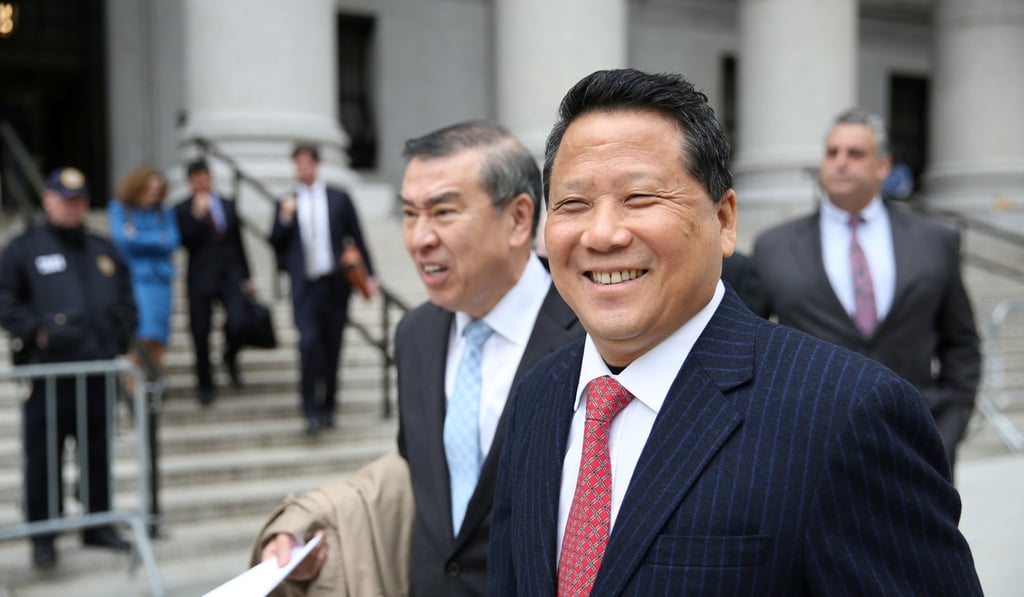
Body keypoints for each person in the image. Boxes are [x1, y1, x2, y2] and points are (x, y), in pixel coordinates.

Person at [488, 69, 982, 595]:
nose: (603, 233)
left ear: (724, 220)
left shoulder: (847, 413)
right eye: (573, 204)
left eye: (640, 197)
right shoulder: (538, 397)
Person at [258, 121, 584, 596]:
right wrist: (314, 527)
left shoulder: (590, 338)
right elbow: (419, 475)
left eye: (443, 212)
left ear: (518, 219)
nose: (419, 238)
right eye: (410, 213)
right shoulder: (416, 334)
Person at [753, 109, 981, 472]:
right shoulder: (773, 247)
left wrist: (948, 431)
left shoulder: (934, 241)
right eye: (832, 153)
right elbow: (751, 349)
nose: (840, 163)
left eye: (855, 153)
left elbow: (962, 344)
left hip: (916, 450)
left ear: (883, 166)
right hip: (809, 455)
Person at [0, 167, 137, 570]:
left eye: (79, 201)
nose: (73, 207)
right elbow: (6, 300)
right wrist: (37, 332)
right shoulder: (25, 248)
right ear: (47, 199)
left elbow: (126, 301)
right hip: (47, 375)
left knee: (97, 449)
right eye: (65, 199)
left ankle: (98, 524)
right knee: (44, 456)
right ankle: (44, 535)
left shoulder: (102, 248)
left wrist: (118, 338)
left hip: (95, 371)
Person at [269, 143, 377, 436]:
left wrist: (371, 275)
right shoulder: (286, 201)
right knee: (308, 345)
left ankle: (328, 406)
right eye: (297, 164)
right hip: (305, 288)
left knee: (333, 348)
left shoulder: (338, 198)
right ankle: (309, 411)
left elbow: (357, 236)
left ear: (316, 165)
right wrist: (285, 218)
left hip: (335, 285)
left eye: (306, 163)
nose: (302, 169)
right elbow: (275, 243)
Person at [174, 158, 253, 406]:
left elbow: (239, 242)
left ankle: (230, 357)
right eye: (196, 178)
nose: (201, 182)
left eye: (204, 177)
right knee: (200, 332)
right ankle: (205, 385)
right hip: (200, 278)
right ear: (190, 182)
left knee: (239, 321)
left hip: (230, 275)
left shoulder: (227, 204)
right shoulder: (182, 209)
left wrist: (247, 276)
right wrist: (198, 216)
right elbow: (184, 243)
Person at [108, 166, 180, 375]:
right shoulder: (120, 209)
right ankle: (135, 384)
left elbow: (172, 241)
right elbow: (122, 240)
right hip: (137, 281)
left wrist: (138, 237)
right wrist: (157, 238)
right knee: (144, 334)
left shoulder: (164, 212)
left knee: (159, 337)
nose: (152, 195)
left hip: (161, 282)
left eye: (157, 190)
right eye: (148, 189)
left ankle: (153, 386)